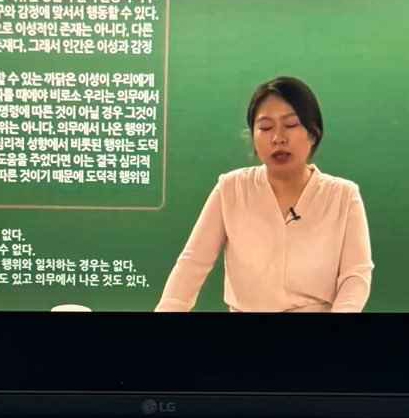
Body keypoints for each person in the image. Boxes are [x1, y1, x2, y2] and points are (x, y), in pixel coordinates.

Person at [155, 76, 373, 312]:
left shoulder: (343, 195)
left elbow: (355, 275)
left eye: (291, 125)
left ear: (313, 133)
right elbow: (192, 264)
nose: (278, 138)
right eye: (266, 128)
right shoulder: (231, 188)